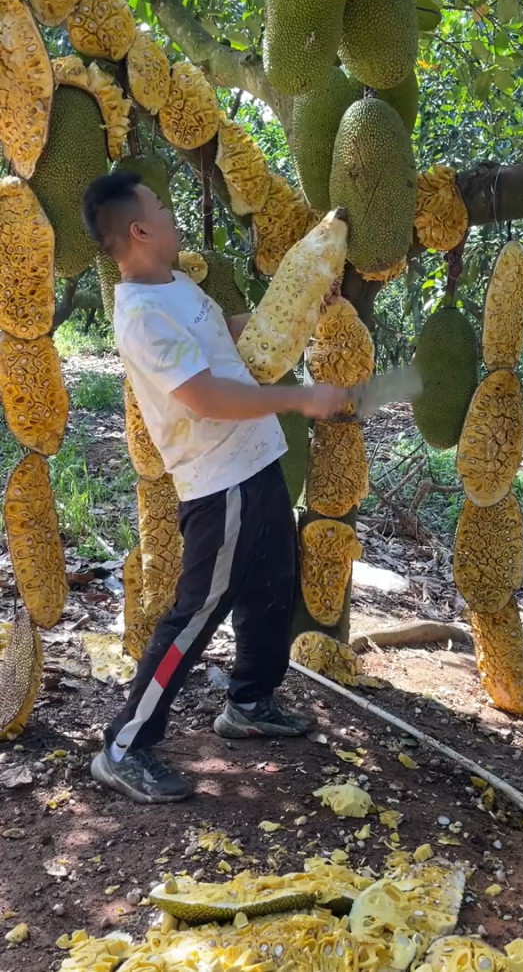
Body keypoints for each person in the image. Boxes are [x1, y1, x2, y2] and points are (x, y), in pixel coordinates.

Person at [81, 172, 348, 805]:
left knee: (271, 587)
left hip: (257, 460)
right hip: (218, 480)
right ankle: (124, 746)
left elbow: (226, 330)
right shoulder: (140, 317)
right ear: (139, 230)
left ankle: (250, 701)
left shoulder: (176, 286)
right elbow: (205, 397)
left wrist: (304, 307)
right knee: (197, 612)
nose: (172, 212)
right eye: (161, 207)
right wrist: (299, 398)